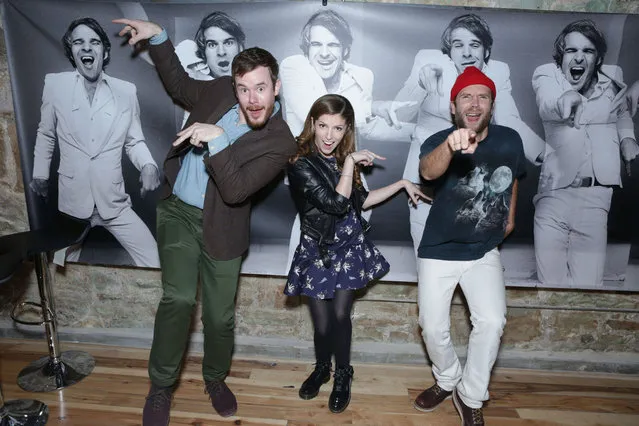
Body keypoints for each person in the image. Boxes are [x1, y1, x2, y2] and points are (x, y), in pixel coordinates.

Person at [113, 17, 296, 424]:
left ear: (276, 87)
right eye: (244, 88)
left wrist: (218, 139)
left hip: (225, 228)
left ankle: (214, 378)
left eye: (261, 88)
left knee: (219, 316)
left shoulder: (281, 141)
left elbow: (234, 191)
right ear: (234, 85)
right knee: (178, 298)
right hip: (179, 213)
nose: (252, 99)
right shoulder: (217, 90)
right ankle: (160, 388)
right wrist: (159, 37)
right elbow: (179, 86)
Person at [285, 94, 426, 414]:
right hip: (318, 249)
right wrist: (349, 164)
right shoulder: (299, 164)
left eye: (337, 128)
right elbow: (334, 203)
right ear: (312, 124)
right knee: (322, 326)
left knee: (339, 316)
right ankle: (322, 368)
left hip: (348, 246)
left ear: (346, 128)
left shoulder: (342, 158)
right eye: (322, 126)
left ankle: (343, 376)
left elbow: (359, 201)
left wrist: (402, 183)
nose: (329, 135)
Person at [376, 13, 545, 255]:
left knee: (472, 262)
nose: (467, 53)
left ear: (486, 50)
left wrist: (546, 155)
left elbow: (509, 120)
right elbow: (401, 111)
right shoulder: (429, 63)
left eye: (474, 45)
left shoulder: (498, 72)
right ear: (449, 50)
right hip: (426, 180)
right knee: (427, 256)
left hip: (472, 184)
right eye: (458, 45)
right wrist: (420, 83)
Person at [413, 66, 525, 426]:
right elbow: (428, 173)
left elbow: (514, 176)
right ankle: (447, 378)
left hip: (482, 250)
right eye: (466, 97)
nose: (474, 104)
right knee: (432, 327)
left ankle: (470, 394)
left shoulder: (510, 139)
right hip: (439, 249)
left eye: (483, 96)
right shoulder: (439, 140)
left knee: (492, 321)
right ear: (453, 106)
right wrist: (450, 144)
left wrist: (509, 218)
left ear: (492, 103)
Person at [281, 9, 414, 274]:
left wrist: (416, 130)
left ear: (345, 49)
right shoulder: (293, 67)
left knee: (360, 212)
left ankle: (343, 277)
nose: (325, 53)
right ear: (306, 48)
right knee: (312, 224)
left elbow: (359, 124)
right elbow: (322, 113)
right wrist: (376, 106)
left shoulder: (362, 76)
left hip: (344, 163)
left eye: (333, 44)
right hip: (310, 166)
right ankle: (302, 274)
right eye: (316, 44)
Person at [30, 17, 160, 267]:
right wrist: (40, 175)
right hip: (72, 205)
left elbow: (134, 141)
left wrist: (148, 166)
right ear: (72, 51)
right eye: (79, 42)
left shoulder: (127, 91)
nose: (87, 48)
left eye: (94, 42)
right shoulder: (55, 85)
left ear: (105, 50)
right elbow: (45, 134)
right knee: (57, 269)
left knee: (155, 260)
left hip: (113, 203)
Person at [532, 19, 639, 288]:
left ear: (598, 58)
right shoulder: (547, 75)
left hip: (596, 197)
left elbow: (622, 113)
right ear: (562, 55)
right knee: (550, 288)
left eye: (588, 51)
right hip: (554, 195)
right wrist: (564, 99)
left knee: (588, 290)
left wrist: (627, 138)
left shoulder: (613, 79)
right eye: (571, 51)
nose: (578, 57)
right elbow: (546, 103)